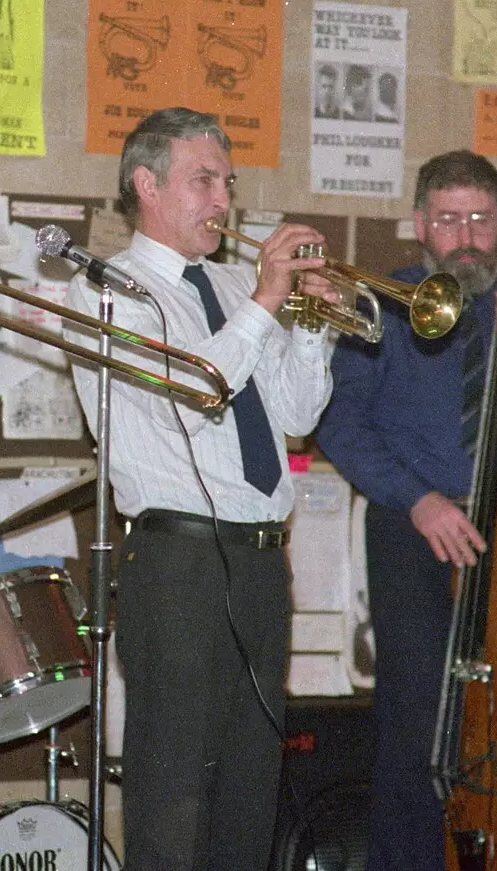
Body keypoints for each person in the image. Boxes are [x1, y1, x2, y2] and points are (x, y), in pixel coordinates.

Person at [62, 107, 337, 870]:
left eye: (228, 182)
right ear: (146, 185)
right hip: (176, 563)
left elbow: (297, 414)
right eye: (204, 180)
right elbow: (198, 386)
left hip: (258, 561)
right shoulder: (107, 292)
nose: (224, 200)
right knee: (173, 788)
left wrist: (312, 320)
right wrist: (269, 299)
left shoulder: (235, 284)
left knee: (252, 784)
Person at [317, 150, 497, 871]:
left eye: (480, 219)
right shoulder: (381, 304)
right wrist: (416, 499)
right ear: (421, 223)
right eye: (448, 218)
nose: (464, 236)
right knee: (419, 724)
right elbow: (341, 423)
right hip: (413, 526)